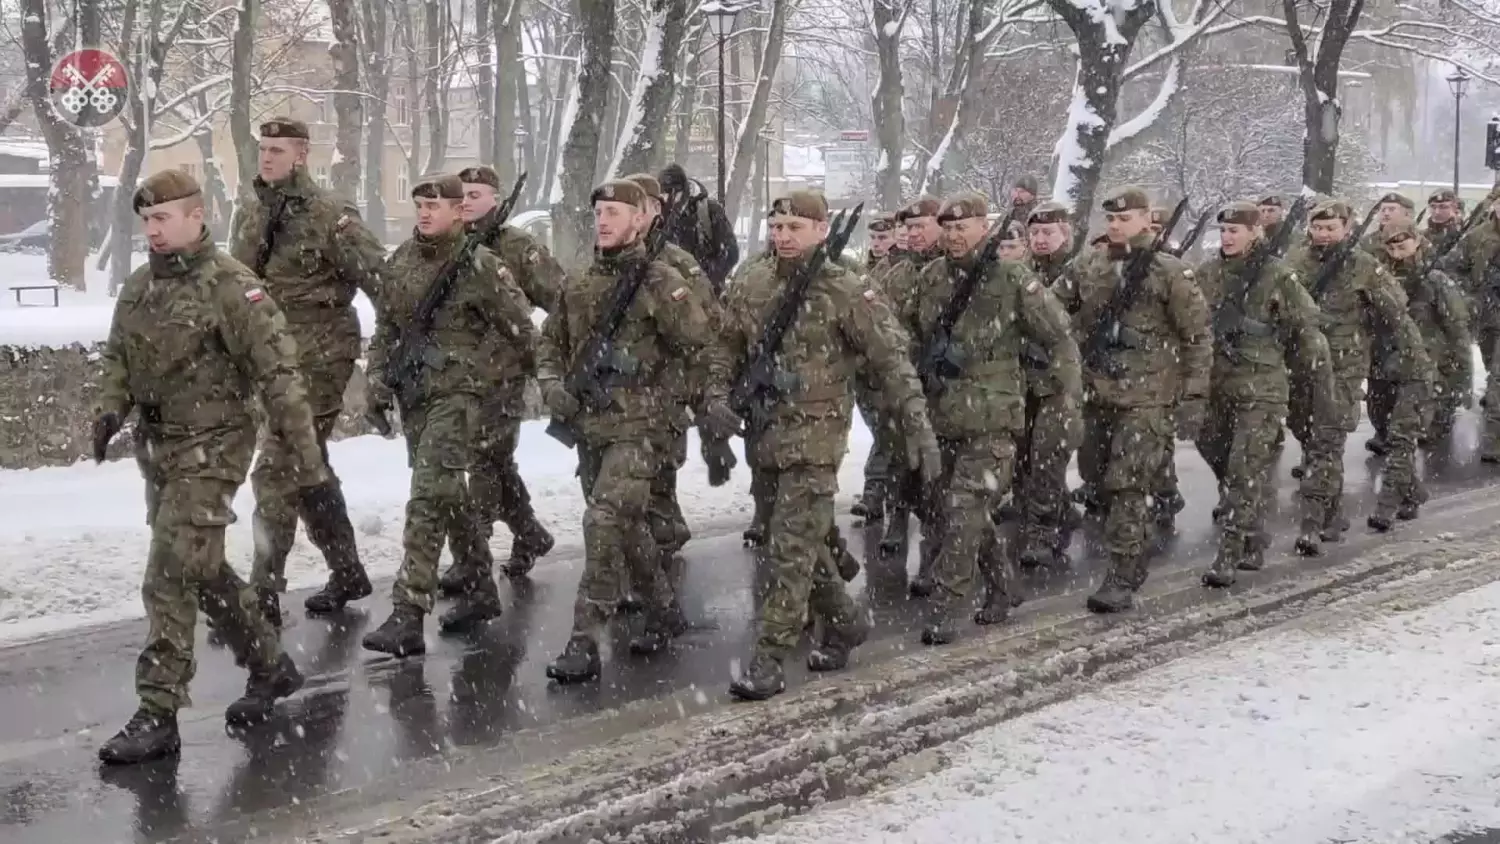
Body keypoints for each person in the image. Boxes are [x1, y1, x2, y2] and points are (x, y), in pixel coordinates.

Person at [93, 170, 318, 765]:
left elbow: (279, 373)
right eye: (147, 221)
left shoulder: (232, 288)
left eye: (163, 219)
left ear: (197, 217)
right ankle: (270, 665)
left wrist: (306, 453)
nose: (153, 231)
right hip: (160, 449)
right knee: (204, 568)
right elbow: (118, 354)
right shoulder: (140, 286)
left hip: (214, 447)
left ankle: (158, 710)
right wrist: (109, 407)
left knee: (168, 571)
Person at [708, 189, 940, 699]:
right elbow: (724, 344)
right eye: (777, 226)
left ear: (821, 229)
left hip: (816, 437)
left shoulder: (847, 289)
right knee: (790, 539)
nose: (783, 236)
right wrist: (717, 396)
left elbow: (892, 361)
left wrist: (918, 424)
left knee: (790, 550)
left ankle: (769, 657)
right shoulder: (751, 280)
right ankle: (845, 620)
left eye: (795, 227)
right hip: (765, 434)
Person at [539, 179, 716, 682]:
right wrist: (553, 386)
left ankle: (584, 639)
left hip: (642, 430)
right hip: (590, 426)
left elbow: (702, 349)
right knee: (629, 527)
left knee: (602, 521)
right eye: (598, 212)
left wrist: (664, 398)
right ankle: (662, 609)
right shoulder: (579, 282)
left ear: (641, 220)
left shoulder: (662, 282)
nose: (603, 220)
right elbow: (549, 343)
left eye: (615, 212)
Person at [361, 174, 539, 655]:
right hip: (416, 397)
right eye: (419, 204)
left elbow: (523, 331)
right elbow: (385, 332)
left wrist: (542, 384)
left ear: (460, 212)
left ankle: (408, 611)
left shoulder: (481, 267)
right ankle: (481, 589)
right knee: (449, 496)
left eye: (434, 205)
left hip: (459, 398)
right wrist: (376, 382)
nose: (424, 212)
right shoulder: (401, 262)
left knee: (427, 499)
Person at [896, 191, 1080, 642]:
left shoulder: (1013, 278)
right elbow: (908, 333)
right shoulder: (932, 277)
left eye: (964, 227)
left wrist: (1067, 399)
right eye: (949, 227)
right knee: (954, 511)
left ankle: (945, 605)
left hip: (994, 417)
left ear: (984, 227)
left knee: (964, 511)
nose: (955, 236)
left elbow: (1059, 338)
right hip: (943, 416)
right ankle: (1002, 586)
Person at [231, 117, 385, 625]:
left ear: (302, 155)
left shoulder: (330, 214)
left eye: (278, 149)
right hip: (272, 359)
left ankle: (263, 592)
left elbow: (381, 281)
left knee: (276, 466)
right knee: (309, 467)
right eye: (263, 148)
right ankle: (347, 569)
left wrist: (386, 358)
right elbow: (238, 286)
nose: (267, 157)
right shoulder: (252, 211)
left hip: (320, 358)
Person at [1054, 186, 1212, 613]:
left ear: (1147, 219)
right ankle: (1131, 549)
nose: (1116, 226)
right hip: (1096, 392)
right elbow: (1053, 310)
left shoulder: (1170, 273)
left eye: (1125, 219)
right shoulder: (1090, 265)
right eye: (1111, 219)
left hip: (1148, 399)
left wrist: (1193, 396)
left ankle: (1121, 574)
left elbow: (1196, 339)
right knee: (1097, 478)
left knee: (1128, 484)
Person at [433, 165, 561, 596]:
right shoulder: (451, 245)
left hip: (503, 373)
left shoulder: (516, 246)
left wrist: (543, 356)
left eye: (476, 194)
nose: (466, 201)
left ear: (495, 198)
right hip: (459, 376)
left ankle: (474, 554)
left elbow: (561, 299)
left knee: (484, 461)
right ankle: (529, 533)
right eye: (462, 194)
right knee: (495, 463)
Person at [657, 163, 740, 295]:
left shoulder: (707, 210)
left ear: (681, 191)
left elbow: (731, 252)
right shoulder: (661, 216)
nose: (666, 200)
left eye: (669, 193)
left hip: (707, 295)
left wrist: (707, 279)